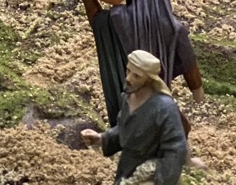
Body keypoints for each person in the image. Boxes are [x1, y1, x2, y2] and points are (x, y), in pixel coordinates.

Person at [81, 0, 204, 128]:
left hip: (130, 103)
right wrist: (197, 90)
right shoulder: (174, 28)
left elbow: (97, 21)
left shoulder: (117, 18)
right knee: (177, 129)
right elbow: (189, 65)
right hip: (157, 101)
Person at [80, 50, 188, 185]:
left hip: (150, 173)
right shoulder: (127, 97)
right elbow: (127, 129)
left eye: (137, 76)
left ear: (149, 79)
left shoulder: (164, 107)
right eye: (128, 71)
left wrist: (162, 180)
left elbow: (176, 149)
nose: (129, 78)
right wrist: (102, 138)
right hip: (127, 166)